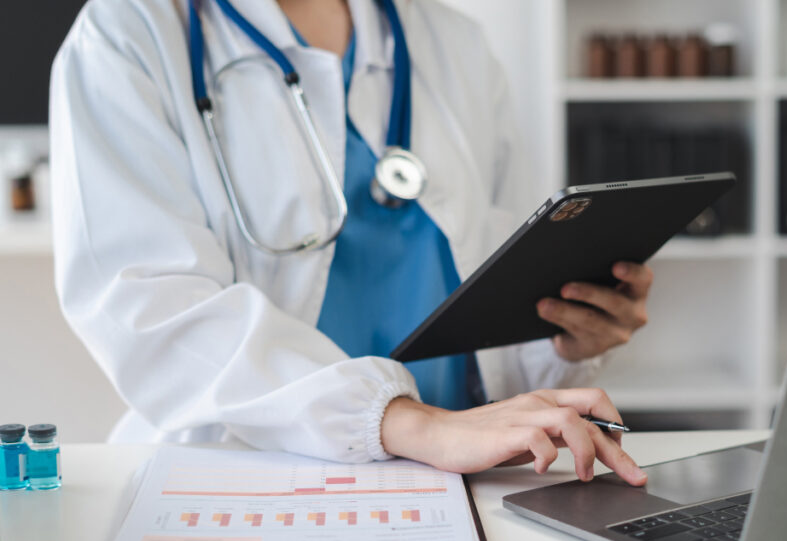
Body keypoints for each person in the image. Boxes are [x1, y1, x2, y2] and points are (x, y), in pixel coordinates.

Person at [49, 0, 651, 486]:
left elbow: (502, 279)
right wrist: (408, 423)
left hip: (461, 476)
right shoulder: (128, 33)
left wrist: (568, 334)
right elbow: (150, 309)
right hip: (245, 478)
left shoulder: (452, 40)